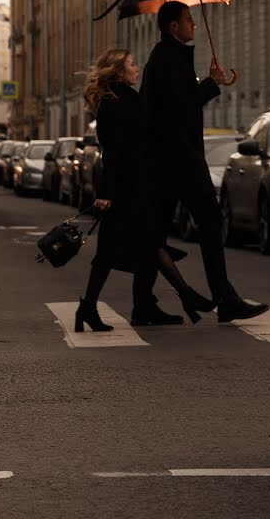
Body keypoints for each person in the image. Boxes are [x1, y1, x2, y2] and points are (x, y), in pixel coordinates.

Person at [140, 1, 269, 322]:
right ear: (173, 26)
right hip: (179, 159)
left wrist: (207, 83)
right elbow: (177, 107)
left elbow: (178, 101)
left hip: (171, 159)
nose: (194, 24)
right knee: (211, 223)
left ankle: (143, 303)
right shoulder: (165, 59)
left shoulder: (169, 57)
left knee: (155, 233)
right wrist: (210, 86)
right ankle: (225, 298)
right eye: (188, 20)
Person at [75, 47, 213, 332]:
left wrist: (206, 87)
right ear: (118, 71)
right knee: (131, 247)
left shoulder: (130, 98)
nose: (137, 68)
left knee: (134, 247)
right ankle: (186, 294)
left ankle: (90, 307)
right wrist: (107, 193)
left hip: (139, 186)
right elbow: (113, 152)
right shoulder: (113, 103)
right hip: (126, 189)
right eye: (132, 64)